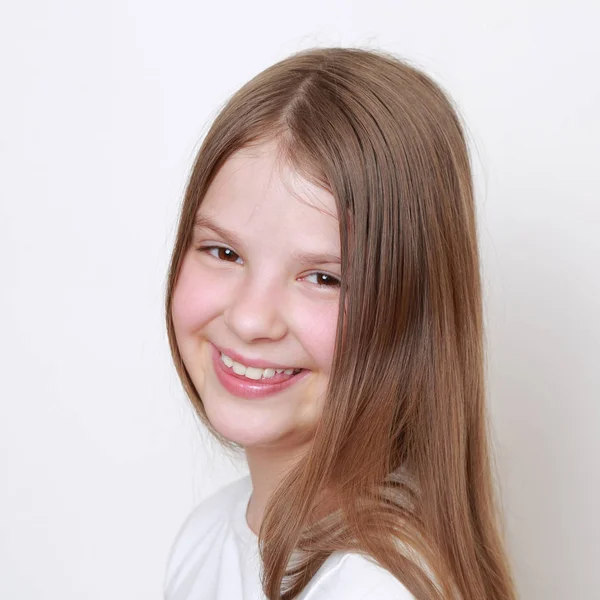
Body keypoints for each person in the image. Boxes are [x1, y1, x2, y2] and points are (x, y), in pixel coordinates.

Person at [162, 46, 518, 600]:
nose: (252, 318)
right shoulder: (209, 533)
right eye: (223, 253)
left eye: (325, 279)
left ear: (412, 314)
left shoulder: (370, 588)